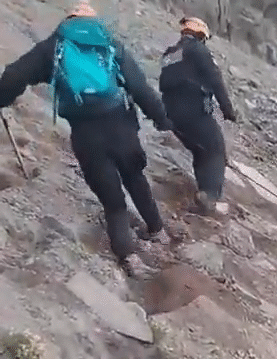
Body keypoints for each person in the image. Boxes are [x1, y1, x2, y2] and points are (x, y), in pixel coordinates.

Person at [0, 1, 174, 277]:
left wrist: (2, 98)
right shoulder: (109, 44)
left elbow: (14, 75)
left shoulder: (54, 46)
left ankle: (130, 258)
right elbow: (140, 87)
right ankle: (158, 231)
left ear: (67, 21)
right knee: (135, 177)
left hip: (86, 134)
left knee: (112, 199)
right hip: (121, 126)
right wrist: (162, 119)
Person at [159, 17, 236, 215]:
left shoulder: (170, 54)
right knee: (216, 148)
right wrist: (227, 109)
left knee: (200, 150)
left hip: (172, 115)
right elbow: (215, 79)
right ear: (202, 36)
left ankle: (203, 192)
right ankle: (210, 198)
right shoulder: (198, 50)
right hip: (193, 111)